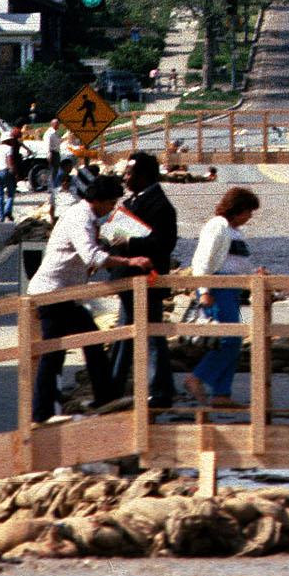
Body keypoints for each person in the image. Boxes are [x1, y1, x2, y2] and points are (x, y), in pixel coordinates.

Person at [26, 171, 149, 421]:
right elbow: (91, 255)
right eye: (112, 203)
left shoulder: (89, 218)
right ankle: (40, 413)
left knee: (91, 340)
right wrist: (129, 260)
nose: (112, 209)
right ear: (101, 200)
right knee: (53, 353)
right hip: (51, 294)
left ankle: (105, 396)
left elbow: (85, 255)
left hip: (67, 294)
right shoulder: (79, 217)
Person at [111, 151, 180, 409]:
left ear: (145, 176)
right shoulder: (132, 202)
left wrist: (130, 241)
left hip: (147, 281)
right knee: (125, 333)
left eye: (129, 173)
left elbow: (164, 244)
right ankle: (115, 385)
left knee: (150, 334)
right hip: (128, 281)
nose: (125, 178)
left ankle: (159, 390)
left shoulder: (161, 206)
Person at [184, 186, 261, 406]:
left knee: (232, 341)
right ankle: (197, 377)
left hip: (232, 289)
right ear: (237, 209)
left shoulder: (234, 231)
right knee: (229, 339)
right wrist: (205, 290)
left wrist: (253, 274)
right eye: (248, 212)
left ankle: (221, 393)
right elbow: (203, 260)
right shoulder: (217, 226)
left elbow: (236, 262)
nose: (249, 217)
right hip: (218, 288)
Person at [0, 129, 19, 224]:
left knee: (0, 196)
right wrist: (14, 173)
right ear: (7, 140)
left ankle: (1, 217)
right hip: (6, 171)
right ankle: (7, 210)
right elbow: (10, 161)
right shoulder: (8, 149)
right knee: (11, 194)